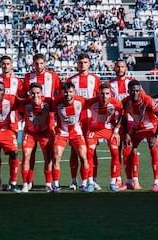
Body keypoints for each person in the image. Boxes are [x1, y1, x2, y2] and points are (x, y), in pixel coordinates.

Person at [23, 53, 62, 189]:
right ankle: (29, 181)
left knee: (49, 153)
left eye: (41, 63)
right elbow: (23, 95)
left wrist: (57, 113)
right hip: (32, 117)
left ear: (45, 63)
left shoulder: (53, 76)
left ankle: (49, 183)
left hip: (48, 116)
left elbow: (59, 94)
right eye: (36, 63)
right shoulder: (28, 77)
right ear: (33, 64)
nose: (39, 66)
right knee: (30, 152)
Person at [0, 55, 24, 191]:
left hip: (12, 122)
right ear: (0, 65)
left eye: (8, 64)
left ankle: (11, 180)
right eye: (3, 64)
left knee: (13, 152)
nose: (6, 66)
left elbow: (21, 101)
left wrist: (22, 116)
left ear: (12, 65)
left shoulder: (17, 82)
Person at [121, 80, 158, 192]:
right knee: (129, 150)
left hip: (151, 128)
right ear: (128, 91)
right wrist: (126, 133)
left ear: (140, 91)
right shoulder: (125, 102)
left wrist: (156, 135)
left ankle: (156, 183)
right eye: (132, 91)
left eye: (137, 91)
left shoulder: (147, 100)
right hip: (137, 128)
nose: (135, 93)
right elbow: (123, 118)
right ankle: (131, 181)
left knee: (153, 149)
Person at [66, 53, 101, 191]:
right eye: (80, 62)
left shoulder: (95, 79)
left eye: (85, 62)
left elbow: (100, 99)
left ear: (89, 63)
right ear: (77, 63)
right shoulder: (71, 80)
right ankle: (74, 181)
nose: (82, 65)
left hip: (92, 120)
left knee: (93, 151)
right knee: (75, 151)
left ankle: (93, 179)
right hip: (77, 120)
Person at [52, 82, 91, 192]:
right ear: (62, 93)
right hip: (62, 133)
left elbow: (93, 103)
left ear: (74, 92)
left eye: (70, 92)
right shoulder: (56, 102)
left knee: (84, 157)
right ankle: (55, 185)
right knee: (56, 157)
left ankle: (84, 184)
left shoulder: (81, 101)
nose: (68, 94)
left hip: (76, 133)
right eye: (65, 92)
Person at [84, 83, 123, 192]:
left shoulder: (116, 103)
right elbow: (80, 110)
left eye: (107, 94)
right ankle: (91, 182)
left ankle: (112, 182)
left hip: (109, 130)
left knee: (115, 154)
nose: (104, 96)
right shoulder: (91, 102)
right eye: (102, 94)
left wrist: (116, 130)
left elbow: (122, 114)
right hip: (94, 130)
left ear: (111, 94)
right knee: (90, 155)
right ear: (98, 94)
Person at [17, 82, 54, 192]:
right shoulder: (24, 103)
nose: (35, 95)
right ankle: (25, 184)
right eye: (32, 93)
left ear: (41, 93)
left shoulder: (48, 103)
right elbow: (12, 102)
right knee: (26, 156)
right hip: (30, 133)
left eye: (38, 93)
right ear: (29, 93)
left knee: (48, 158)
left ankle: (48, 184)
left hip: (44, 133)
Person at [107, 59, 136, 189]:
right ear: (114, 69)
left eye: (122, 66)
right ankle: (118, 179)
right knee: (116, 152)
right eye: (117, 66)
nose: (120, 69)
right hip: (115, 122)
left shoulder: (132, 82)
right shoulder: (109, 84)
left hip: (130, 122)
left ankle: (133, 179)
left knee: (130, 151)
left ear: (126, 68)